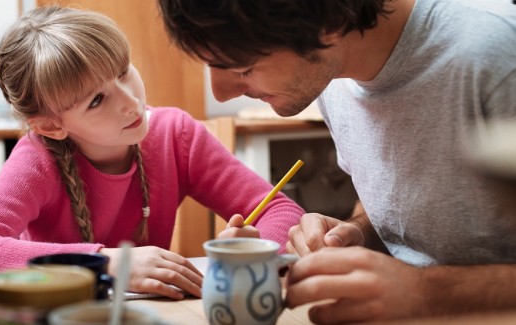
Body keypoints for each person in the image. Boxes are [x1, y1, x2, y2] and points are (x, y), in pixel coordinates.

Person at [158, 0, 516, 322]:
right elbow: (408, 214)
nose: (221, 95)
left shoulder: (497, 52)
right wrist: (355, 232)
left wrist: (425, 291)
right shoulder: (334, 80)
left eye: (243, 68)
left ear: (327, 24)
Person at [0, 6, 304, 300]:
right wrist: (105, 263)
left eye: (124, 72)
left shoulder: (175, 133)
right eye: (97, 100)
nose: (131, 103)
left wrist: (257, 249)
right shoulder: (38, 158)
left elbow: (281, 209)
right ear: (51, 125)